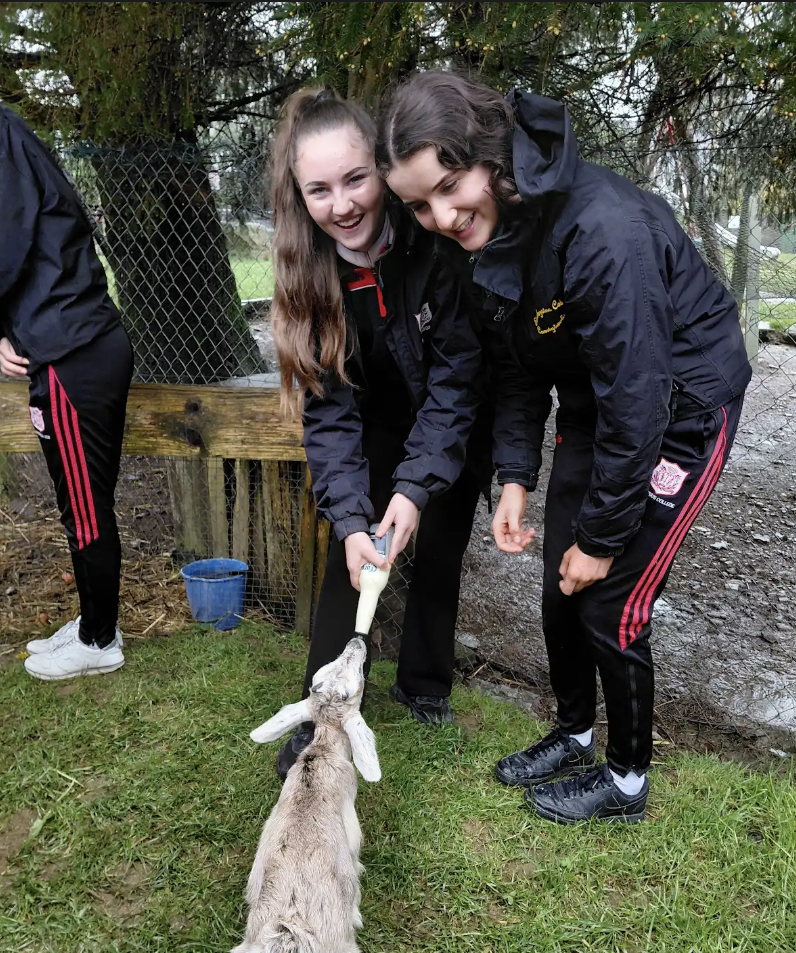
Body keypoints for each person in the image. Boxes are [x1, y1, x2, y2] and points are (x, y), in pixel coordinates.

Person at [379, 71, 751, 824]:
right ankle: (576, 732)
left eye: (450, 186)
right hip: (596, 402)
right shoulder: (487, 236)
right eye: (419, 204)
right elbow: (515, 366)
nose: (442, 217)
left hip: (681, 407)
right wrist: (515, 477)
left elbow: (639, 399)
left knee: (609, 594)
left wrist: (605, 538)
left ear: (492, 155)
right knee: (561, 581)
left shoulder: (603, 228)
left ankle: (627, 779)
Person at [270, 87, 490, 779]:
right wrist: (348, 516)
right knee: (356, 547)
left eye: (356, 179)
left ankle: (424, 686)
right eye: (320, 190)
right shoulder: (308, 272)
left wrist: (418, 487)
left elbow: (457, 379)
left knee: (439, 543)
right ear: (300, 195)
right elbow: (328, 412)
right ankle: (319, 717)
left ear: (382, 170)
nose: (342, 205)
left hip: (452, 415)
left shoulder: (432, 240)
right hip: (372, 421)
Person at [0, 104, 132, 680]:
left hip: (70, 354)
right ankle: (94, 624)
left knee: (83, 509)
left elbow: (6, 248)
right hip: (73, 342)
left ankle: (99, 641)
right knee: (81, 503)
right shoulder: (12, 135)